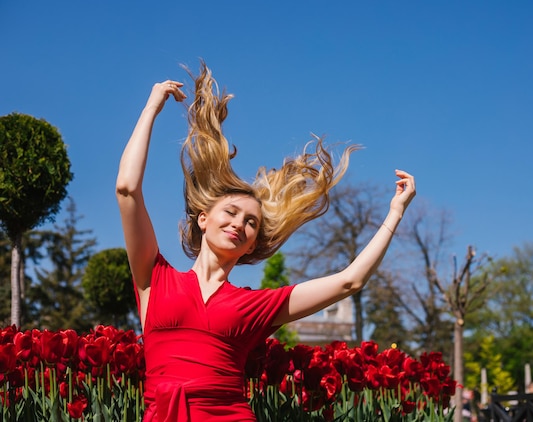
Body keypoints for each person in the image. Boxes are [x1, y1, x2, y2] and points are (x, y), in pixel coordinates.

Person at [116, 62, 416, 421]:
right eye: (230, 212)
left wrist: (395, 212)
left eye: (251, 222)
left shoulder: (255, 305)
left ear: (253, 244)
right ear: (203, 219)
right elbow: (127, 190)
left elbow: (350, 281)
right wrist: (151, 107)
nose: (239, 224)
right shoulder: (155, 277)